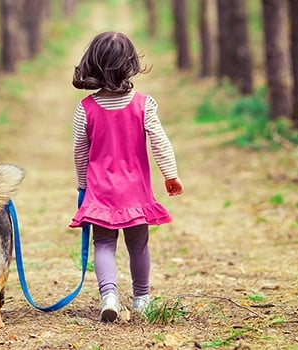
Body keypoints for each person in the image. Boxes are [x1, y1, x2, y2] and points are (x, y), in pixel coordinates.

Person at [69, 31, 184, 322]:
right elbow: (160, 141)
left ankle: (109, 296)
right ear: (130, 64)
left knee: (104, 244)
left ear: (91, 64)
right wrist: (170, 174)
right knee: (138, 245)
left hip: (101, 192)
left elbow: (79, 152)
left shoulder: (85, 109)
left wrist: (82, 185)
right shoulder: (144, 104)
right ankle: (142, 299)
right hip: (136, 192)